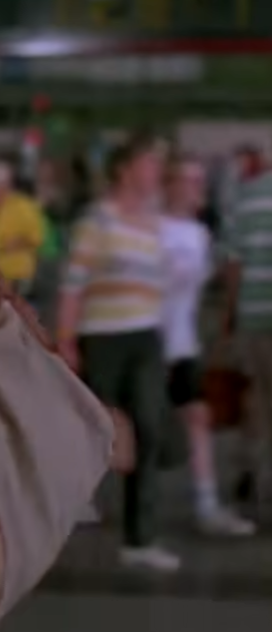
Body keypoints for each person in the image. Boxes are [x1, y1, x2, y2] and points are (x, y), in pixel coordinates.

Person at [57, 133, 180, 573]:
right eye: (149, 164)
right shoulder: (98, 220)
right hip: (102, 336)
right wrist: (67, 340)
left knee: (147, 429)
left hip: (144, 335)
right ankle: (63, 508)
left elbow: (160, 288)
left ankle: (140, 538)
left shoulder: (153, 224)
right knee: (97, 432)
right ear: (125, 171)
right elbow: (73, 284)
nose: (156, 173)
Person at [161, 155, 255, 536]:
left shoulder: (199, 234)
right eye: (190, 180)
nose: (198, 188)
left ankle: (207, 503)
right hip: (145, 342)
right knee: (118, 425)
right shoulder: (153, 228)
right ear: (170, 185)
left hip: (181, 344)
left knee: (198, 417)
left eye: (201, 180)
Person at [221, 145, 272, 508]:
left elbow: (233, 264)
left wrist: (229, 315)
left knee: (256, 398)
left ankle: (253, 472)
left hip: (253, 316)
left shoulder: (243, 199)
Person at [0, 160, 45, 297]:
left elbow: (36, 238)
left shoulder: (25, 207)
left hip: (15, 276)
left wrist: (18, 242)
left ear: (6, 186)